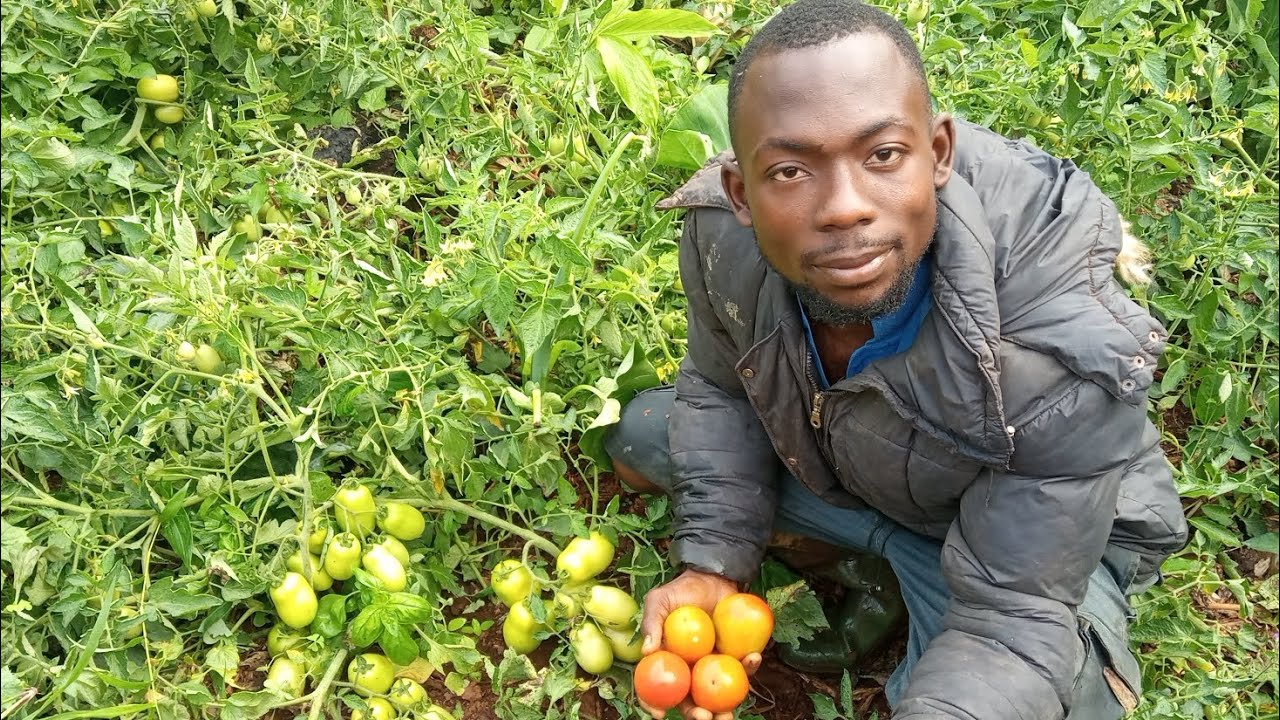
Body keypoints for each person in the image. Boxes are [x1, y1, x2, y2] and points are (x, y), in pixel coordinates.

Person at [603, 1, 1190, 718]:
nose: (845, 208)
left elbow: (1015, 614)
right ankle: (882, 566)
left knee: (1060, 692)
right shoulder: (721, 238)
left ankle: (910, 582)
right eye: (789, 170)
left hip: (1030, 543)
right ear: (741, 194)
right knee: (644, 434)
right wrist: (714, 562)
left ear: (938, 153)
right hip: (866, 472)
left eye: (882, 156)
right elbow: (723, 394)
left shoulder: (1054, 334)